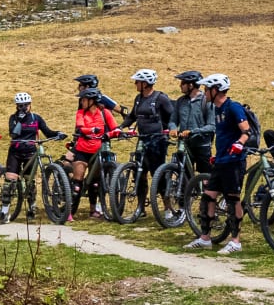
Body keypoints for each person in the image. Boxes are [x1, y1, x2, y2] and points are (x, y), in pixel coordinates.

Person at [185, 74, 251, 255]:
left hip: (234, 162)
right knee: (208, 196)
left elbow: (247, 131)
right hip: (221, 161)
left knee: (233, 199)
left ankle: (235, 241)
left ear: (216, 90)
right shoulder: (216, 109)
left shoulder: (233, 108)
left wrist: (240, 144)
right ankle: (205, 237)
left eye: (207, 89)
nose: (205, 93)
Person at [0, 92, 65, 224]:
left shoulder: (36, 118)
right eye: (21, 105)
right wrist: (21, 119)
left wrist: (58, 134)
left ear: (30, 105)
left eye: (26, 105)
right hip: (15, 152)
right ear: (17, 106)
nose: (24, 107)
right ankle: (5, 211)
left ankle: (31, 207)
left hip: (30, 152)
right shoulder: (13, 118)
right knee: (9, 182)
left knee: (30, 182)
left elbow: (47, 132)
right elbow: (13, 133)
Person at [118, 69, 173, 214]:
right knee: (139, 173)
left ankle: (168, 207)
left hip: (157, 141)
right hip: (142, 140)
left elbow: (172, 117)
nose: (135, 84)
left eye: (137, 81)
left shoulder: (161, 98)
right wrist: (120, 127)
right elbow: (132, 117)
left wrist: (168, 131)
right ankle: (141, 207)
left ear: (145, 83)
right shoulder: (138, 98)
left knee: (158, 174)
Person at [71, 87, 120, 219]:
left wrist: (110, 134)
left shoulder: (105, 113)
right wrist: (92, 130)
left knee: (95, 183)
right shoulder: (81, 113)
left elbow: (116, 129)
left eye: (84, 100)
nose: (81, 102)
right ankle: (70, 212)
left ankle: (93, 210)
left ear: (92, 101)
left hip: (97, 151)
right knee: (77, 184)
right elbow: (81, 128)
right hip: (82, 149)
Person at [169, 70, 215, 173]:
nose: (180, 86)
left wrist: (193, 131)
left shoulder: (206, 101)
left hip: (202, 146)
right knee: (183, 176)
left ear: (191, 85)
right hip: (184, 145)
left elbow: (212, 126)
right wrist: (173, 129)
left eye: (183, 83)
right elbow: (173, 120)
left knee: (205, 178)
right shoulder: (180, 101)